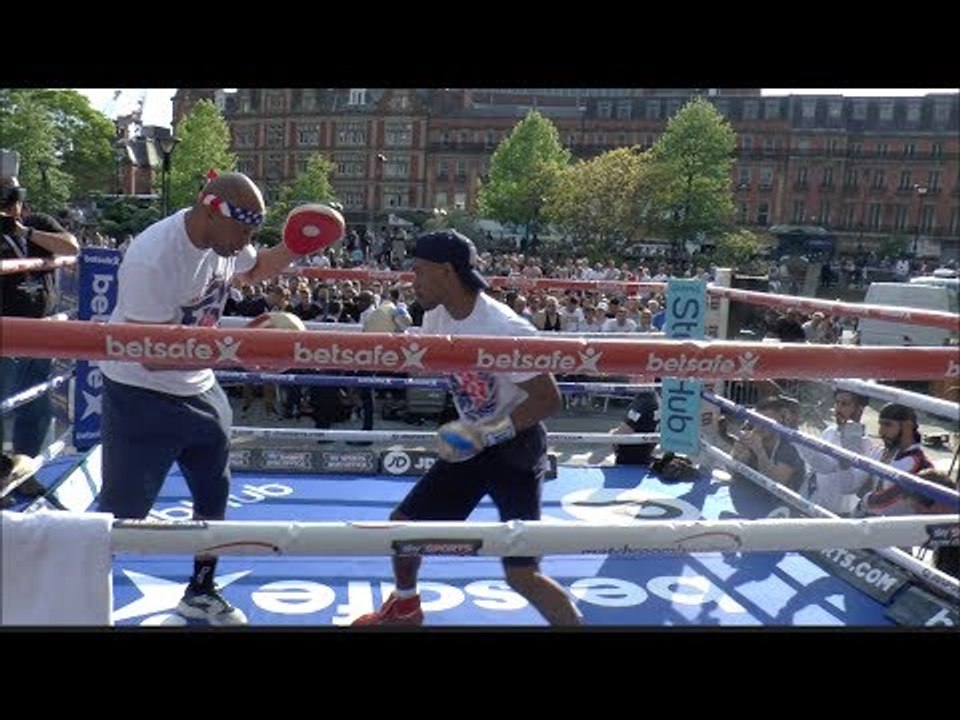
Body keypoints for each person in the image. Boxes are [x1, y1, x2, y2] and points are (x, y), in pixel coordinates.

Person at [96, 172, 319, 625]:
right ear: (211, 210)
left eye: (254, 231)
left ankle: (201, 589)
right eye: (244, 230)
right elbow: (152, 356)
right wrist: (240, 350)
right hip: (141, 393)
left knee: (214, 493)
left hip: (199, 383)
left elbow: (254, 270)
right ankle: (69, 594)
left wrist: (295, 248)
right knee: (121, 515)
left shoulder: (226, 243)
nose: (247, 242)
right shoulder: (153, 258)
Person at [352, 229, 582, 626]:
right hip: (473, 439)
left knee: (522, 574)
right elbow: (427, 364)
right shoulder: (435, 314)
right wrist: (392, 346)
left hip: (515, 446)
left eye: (419, 270)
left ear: (445, 271)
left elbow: (547, 399)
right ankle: (406, 608)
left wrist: (485, 434)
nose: (413, 280)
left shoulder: (503, 328)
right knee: (404, 531)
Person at [1, 174, 79, 500]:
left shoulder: (38, 224)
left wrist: (25, 232)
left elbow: (72, 247)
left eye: (12, 194)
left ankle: (25, 473)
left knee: (35, 407)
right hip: (6, 335)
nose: (9, 203)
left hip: (40, 333)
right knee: (2, 404)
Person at [793, 389, 877, 516]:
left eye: (845, 404)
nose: (838, 408)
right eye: (837, 403)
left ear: (859, 409)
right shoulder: (829, 431)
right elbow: (819, 466)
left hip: (839, 514)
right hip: (815, 504)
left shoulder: (865, 444)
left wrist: (797, 438)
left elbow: (848, 485)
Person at [859, 403, 933, 516]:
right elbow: (850, 485)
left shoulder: (918, 462)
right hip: (873, 520)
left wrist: (863, 501)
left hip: (898, 524)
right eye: (880, 425)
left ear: (907, 427)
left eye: (888, 425)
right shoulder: (879, 451)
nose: (881, 432)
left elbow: (884, 501)